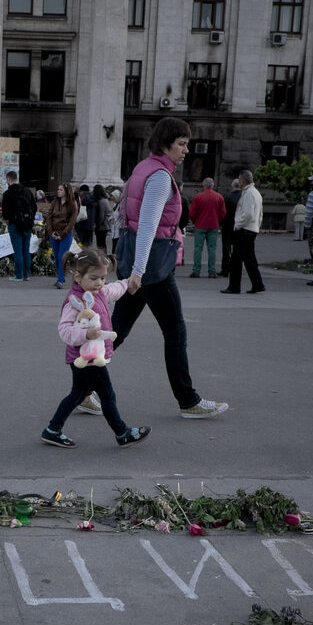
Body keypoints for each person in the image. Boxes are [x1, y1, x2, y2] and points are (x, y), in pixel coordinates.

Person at [107, 116, 229, 420]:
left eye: (187, 144)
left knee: (115, 332)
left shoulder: (141, 168)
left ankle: (85, 391)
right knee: (175, 330)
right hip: (151, 268)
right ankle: (188, 400)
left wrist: (131, 267)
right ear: (165, 144)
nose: (186, 150)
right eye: (182, 144)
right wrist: (138, 271)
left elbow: (125, 217)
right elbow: (148, 226)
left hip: (138, 263)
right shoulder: (160, 177)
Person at [41, 248, 150, 449]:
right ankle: (122, 433)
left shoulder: (98, 292)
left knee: (77, 394)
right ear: (78, 276)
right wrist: (85, 334)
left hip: (90, 357)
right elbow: (64, 330)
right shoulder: (75, 302)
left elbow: (113, 290)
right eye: (94, 278)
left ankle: (52, 430)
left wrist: (127, 283)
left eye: (102, 278)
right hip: (86, 359)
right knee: (107, 395)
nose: (99, 283)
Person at [222, 168, 264, 294]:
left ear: (243, 180)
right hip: (252, 229)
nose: (238, 182)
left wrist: (237, 225)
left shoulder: (248, 193)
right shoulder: (256, 193)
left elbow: (248, 214)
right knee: (250, 259)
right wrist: (257, 225)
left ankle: (234, 286)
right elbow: (259, 214)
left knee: (236, 259)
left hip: (244, 230)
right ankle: (258, 284)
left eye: (239, 179)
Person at [1, 170, 36, 282]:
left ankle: (19, 275)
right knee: (26, 250)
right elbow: (34, 207)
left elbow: (5, 212)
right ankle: (26, 274)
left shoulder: (7, 194)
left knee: (17, 250)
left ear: (9, 179)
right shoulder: (27, 191)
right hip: (27, 224)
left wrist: (7, 221)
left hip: (14, 224)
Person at [187, 178, 225, 278]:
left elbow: (192, 213)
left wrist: (196, 221)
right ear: (212, 185)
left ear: (203, 186)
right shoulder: (219, 197)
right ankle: (212, 271)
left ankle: (196, 271)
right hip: (213, 226)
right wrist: (217, 220)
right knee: (212, 248)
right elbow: (223, 213)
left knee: (198, 248)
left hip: (200, 225)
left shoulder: (198, 197)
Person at [47, 183, 79, 288]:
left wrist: (63, 234)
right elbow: (49, 217)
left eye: (60, 190)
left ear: (66, 191)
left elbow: (72, 222)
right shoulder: (55, 202)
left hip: (65, 233)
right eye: (58, 189)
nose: (58, 191)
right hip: (54, 232)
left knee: (62, 257)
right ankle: (61, 276)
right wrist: (51, 232)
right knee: (56, 257)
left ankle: (60, 280)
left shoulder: (72, 204)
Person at [218, 177, 241, 276]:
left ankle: (225, 269)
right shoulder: (243, 197)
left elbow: (223, 212)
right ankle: (235, 269)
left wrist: (222, 223)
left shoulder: (227, 197)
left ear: (232, 186)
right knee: (237, 249)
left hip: (227, 226)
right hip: (239, 226)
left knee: (226, 249)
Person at [93, 185, 113, 252]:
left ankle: (103, 259)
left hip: (102, 226)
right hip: (105, 225)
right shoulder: (105, 200)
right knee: (103, 244)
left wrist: (97, 226)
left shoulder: (101, 202)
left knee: (100, 245)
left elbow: (101, 216)